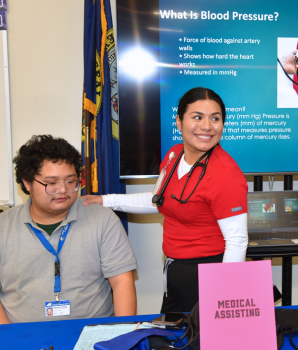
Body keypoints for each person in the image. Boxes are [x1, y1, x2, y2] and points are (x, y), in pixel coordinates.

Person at [82, 87, 248, 313]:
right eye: (197, 117)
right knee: (171, 338)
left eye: (215, 118)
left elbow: (237, 241)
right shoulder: (173, 156)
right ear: (179, 121)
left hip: (210, 270)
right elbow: (157, 200)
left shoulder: (226, 174)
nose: (207, 126)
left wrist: (223, 298)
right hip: (174, 269)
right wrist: (105, 200)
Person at [0, 135, 138, 328]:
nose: (63, 190)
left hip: (91, 334)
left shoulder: (103, 220)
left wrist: (121, 337)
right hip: (23, 336)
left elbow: (122, 283)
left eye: (70, 181)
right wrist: (12, 341)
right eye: (51, 183)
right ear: (27, 183)